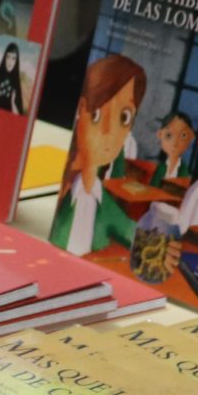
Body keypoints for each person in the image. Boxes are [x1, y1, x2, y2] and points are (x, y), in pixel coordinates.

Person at [51, 55, 147, 258]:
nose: (109, 131)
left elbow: (130, 230)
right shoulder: (60, 191)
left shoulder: (103, 201)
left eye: (124, 118)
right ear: (81, 110)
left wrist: (162, 248)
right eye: (96, 114)